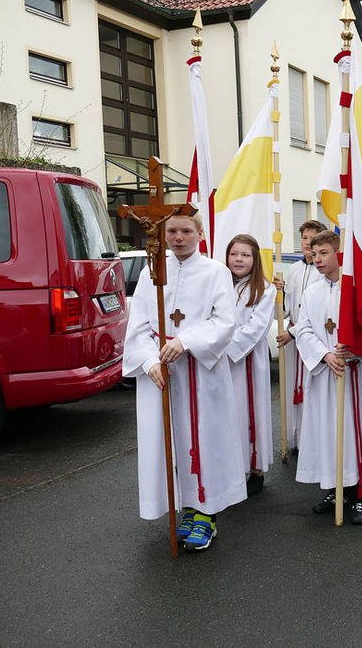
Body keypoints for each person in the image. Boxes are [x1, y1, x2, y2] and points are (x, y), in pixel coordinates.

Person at [123, 212, 245, 552]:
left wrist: (185, 341)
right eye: (172, 231)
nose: (179, 237)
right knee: (170, 442)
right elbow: (139, 325)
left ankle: (206, 512)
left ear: (200, 233)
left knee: (204, 440)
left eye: (186, 231)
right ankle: (184, 507)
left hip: (201, 375)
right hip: (161, 373)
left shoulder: (215, 272)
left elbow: (224, 321)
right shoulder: (151, 273)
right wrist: (148, 362)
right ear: (163, 235)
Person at [294, 230, 362, 525]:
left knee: (352, 433)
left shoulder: (357, 290)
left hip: (351, 377)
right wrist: (325, 355)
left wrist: (355, 352)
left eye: (323, 253)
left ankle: (360, 494)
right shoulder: (312, 292)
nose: (317, 259)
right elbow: (304, 329)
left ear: (338, 253)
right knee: (327, 433)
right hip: (325, 374)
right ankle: (336, 488)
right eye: (314, 253)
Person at [225, 234, 275, 497]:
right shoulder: (220, 285)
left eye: (245, 255)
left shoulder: (266, 289)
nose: (239, 259)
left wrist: (223, 347)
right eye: (234, 254)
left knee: (250, 413)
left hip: (246, 362)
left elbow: (256, 327)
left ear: (255, 259)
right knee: (228, 416)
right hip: (218, 363)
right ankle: (230, 468)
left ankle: (255, 469)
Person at [274, 220, 326, 457]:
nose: (307, 243)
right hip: (292, 341)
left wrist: (292, 332)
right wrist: (278, 292)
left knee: (310, 391)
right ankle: (294, 437)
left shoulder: (322, 272)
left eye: (313, 238)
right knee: (291, 390)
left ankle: (312, 441)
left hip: (313, 341)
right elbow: (285, 310)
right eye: (304, 237)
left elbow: (315, 314)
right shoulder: (294, 269)